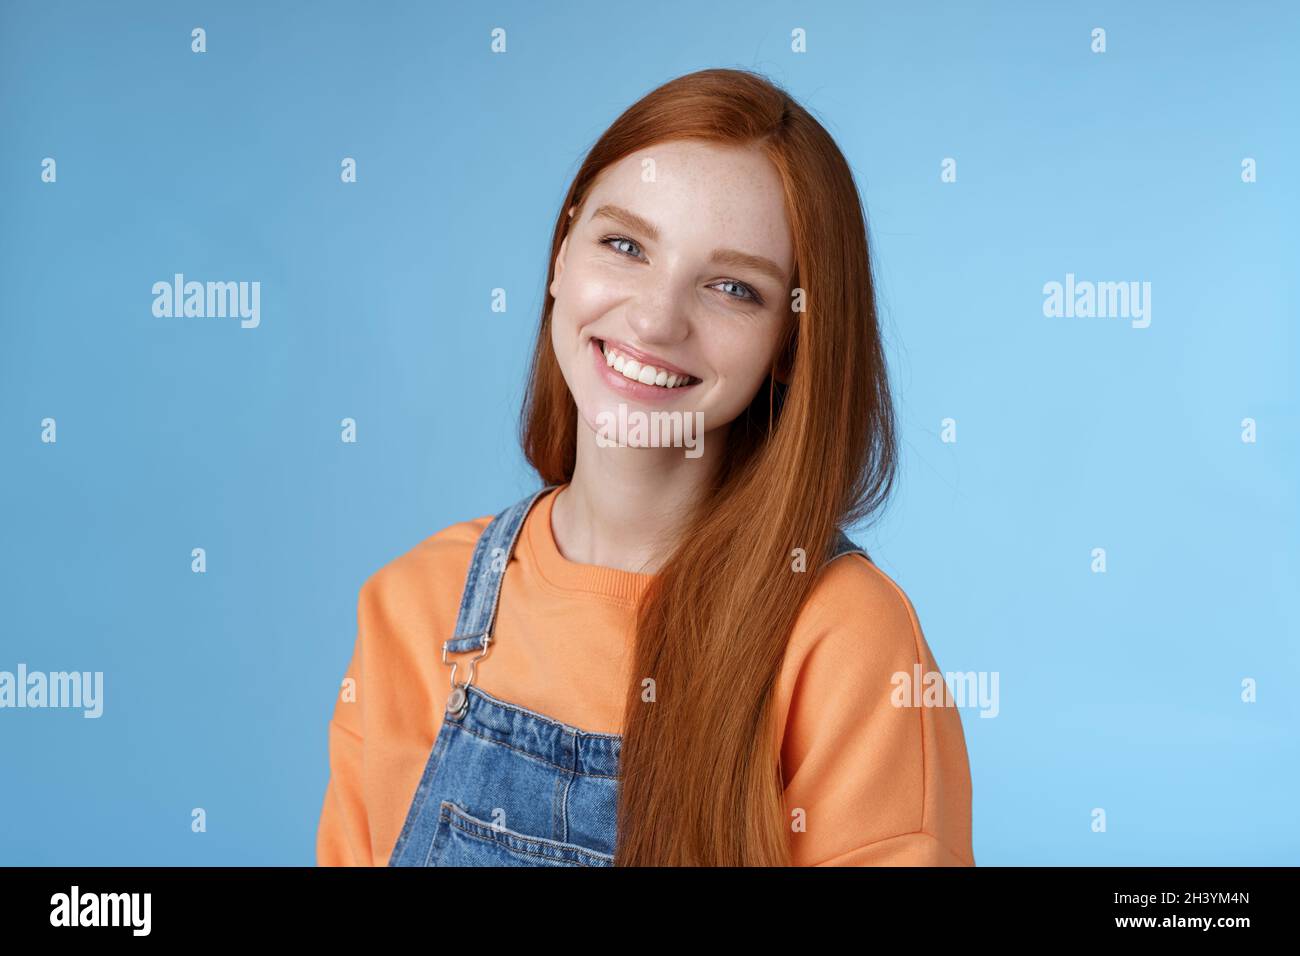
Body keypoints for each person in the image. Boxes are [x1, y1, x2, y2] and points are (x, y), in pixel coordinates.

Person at [316, 67, 974, 867]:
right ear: (562, 255)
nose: (658, 319)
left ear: (791, 348)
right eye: (625, 245)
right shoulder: (415, 605)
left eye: (733, 288)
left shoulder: (843, 641)